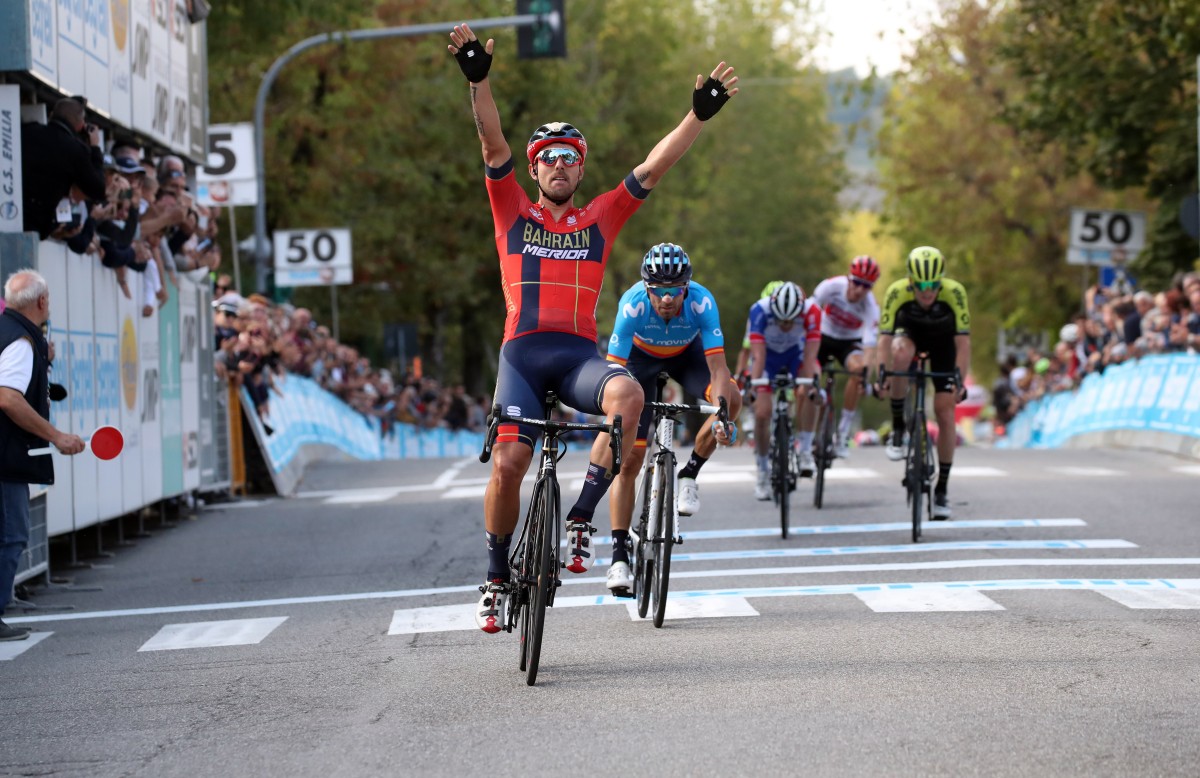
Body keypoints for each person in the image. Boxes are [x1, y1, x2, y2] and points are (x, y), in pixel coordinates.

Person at [447, 23, 739, 633]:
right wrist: (480, 82)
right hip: (522, 358)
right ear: (536, 170)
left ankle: (582, 514)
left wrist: (697, 116)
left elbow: (652, 169)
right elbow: (492, 143)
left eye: (570, 159)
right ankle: (497, 576)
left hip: (578, 357)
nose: (559, 165)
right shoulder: (512, 211)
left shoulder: (600, 218)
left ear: (580, 172)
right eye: (549, 158)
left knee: (630, 393)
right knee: (508, 466)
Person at [601, 243, 739, 595]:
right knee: (630, 460)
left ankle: (689, 472)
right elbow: (613, 372)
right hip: (639, 363)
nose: (667, 299)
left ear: (686, 287)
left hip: (685, 357)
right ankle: (619, 555)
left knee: (733, 397)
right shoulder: (632, 304)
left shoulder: (701, 303)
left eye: (675, 291)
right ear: (647, 288)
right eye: (659, 292)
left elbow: (718, 367)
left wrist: (722, 414)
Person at [0, 270, 86, 641]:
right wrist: (56, 436)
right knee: (12, 535)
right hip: (4, 458)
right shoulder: (20, 341)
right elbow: (7, 397)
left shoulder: (13, 335)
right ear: (42, 302)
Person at [875, 246, 971, 520]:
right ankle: (897, 427)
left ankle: (941, 489)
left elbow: (963, 344)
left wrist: (959, 381)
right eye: (920, 285)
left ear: (941, 281)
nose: (927, 291)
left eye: (932, 285)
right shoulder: (896, 292)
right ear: (910, 282)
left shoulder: (955, 292)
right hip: (910, 336)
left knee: (945, 409)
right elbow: (884, 339)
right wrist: (882, 374)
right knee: (900, 355)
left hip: (943, 344)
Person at [747, 281, 822, 500]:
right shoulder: (759, 310)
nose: (786, 325)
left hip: (795, 356)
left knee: (809, 391)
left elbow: (810, 357)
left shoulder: (813, 311)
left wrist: (810, 386)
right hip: (768, 359)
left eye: (791, 320)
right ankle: (762, 471)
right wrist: (753, 386)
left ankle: (806, 450)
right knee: (762, 414)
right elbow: (758, 357)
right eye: (781, 320)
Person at [811, 255, 881, 458]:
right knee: (805, 375)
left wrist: (865, 377)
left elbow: (869, 347)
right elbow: (809, 313)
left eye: (866, 287)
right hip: (823, 335)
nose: (860, 290)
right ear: (849, 278)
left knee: (859, 371)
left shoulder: (870, 307)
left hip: (849, 343)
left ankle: (842, 433)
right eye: (857, 283)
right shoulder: (830, 287)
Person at [20, 97, 107, 240]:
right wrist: (95, 148)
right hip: (35, 225)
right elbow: (98, 189)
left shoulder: (28, 130)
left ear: (52, 114)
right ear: (80, 126)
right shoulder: (76, 150)